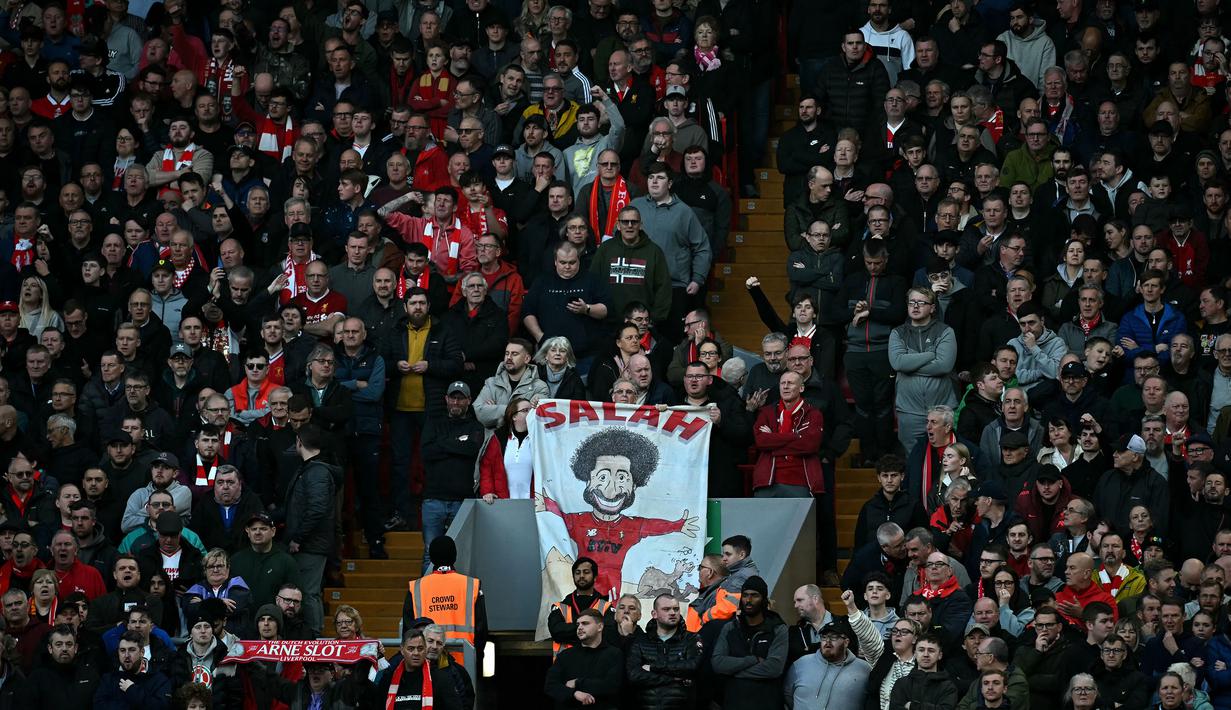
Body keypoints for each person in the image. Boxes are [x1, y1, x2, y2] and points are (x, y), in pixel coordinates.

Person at [403, 535, 487, 675]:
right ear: (454, 556)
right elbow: (481, 630)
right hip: (463, 662)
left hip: (425, 665)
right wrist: (478, 661)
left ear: (432, 557)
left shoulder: (416, 588)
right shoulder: (472, 585)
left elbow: (407, 631)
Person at [283, 423, 337, 635]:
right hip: (311, 542)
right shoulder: (312, 470)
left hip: (311, 544)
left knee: (309, 592)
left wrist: (298, 537)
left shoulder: (317, 472)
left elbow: (316, 509)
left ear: (299, 442)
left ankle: (315, 639)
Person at [711, 576, 788, 710]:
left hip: (766, 703)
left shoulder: (778, 628)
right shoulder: (730, 628)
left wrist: (733, 671)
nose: (749, 600)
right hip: (734, 702)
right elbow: (718, 663)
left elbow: (774, 668)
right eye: (745, 595)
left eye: (754, 596)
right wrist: (752, 660)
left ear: (764, 599)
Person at [624, 593, 702, 709]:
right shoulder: (640, 641)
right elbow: (634, 675)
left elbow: (692, 667)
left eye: (676, 609)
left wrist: (652, 668)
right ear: (654, 614)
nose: (672, 612)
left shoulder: (692, 639)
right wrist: (673, 678)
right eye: (666, 609)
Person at [370, 628, 463, 710]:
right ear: (402, 650)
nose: (416, 653)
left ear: (426, 650)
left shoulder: (441, 679)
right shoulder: (388, 680)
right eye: (411, 649)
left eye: (420, 648)